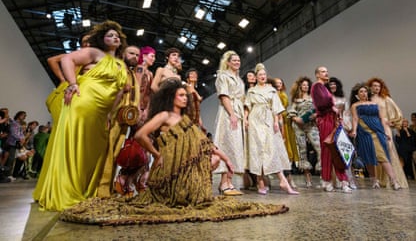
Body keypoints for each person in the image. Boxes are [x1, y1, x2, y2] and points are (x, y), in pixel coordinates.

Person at [59, 78, 289, 225]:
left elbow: (204, 142)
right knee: (180, 201)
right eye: (180, 95)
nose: (185, 97)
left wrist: (225, 157)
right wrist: (157, 154)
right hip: (170, 167)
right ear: (171, 97)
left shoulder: (186, 118)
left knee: (208, 173)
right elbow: (140, 135)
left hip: (190, 168)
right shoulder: (164, 116)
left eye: (185, 95)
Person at [33, 20, 129, 211]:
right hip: (83, 102)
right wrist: (72, 83)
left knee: (92, 150)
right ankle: (66, 190)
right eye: (110, 35)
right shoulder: (94, 52)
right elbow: (67, 59)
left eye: (117, 35)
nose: (114, 37)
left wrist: (111, 113)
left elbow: (120, 91)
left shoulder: (121, 64)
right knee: (75, 145)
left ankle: (83, 189)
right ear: (102, 39)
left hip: (102, 112)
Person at [244, 64, 299, 195]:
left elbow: (276, 107)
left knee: (272, 149)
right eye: (260, 75)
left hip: (268, 119)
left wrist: (276, 122)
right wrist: (246, 119)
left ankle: (282, 180)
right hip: (255, 119)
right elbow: (247, 106)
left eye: (264, 74)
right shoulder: (251, 91)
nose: (262, 76)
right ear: (256, 77)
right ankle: (260, 181)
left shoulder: (271, 90)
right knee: (257, 149)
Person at [99, 45, 142, 198]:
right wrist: (108, 113)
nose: (135, 57)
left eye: (137, 55)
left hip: (125, 118)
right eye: (131, 53)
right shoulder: (116, 66)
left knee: (115, 152)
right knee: (107, 151)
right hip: (113, 115)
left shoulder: (131, 72)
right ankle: (102, 188)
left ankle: (109, 186)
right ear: (123, 53)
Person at [349, 83, 401, 190]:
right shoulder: (355, 106)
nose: (363, 93)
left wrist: (386, 131)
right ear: (357, 95)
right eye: (361, 92)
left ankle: (394, 180)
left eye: (365, 91)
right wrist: (354, 131)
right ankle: (374, 181)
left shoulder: (375, 104)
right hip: (364, 132)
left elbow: (382, 119)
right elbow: (355, 119)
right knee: (369, 157)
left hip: (377, 131)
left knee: (382, 156)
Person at [311, 66, 352, 193]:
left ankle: (343, 180)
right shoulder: (317, 86)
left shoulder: (324, 88)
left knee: (338, 148)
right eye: (323, 71)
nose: (326, 73)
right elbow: (321, 104)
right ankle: (327, 180)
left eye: (327, 71)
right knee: (328, 149)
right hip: (325, 120)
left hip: (333, 119)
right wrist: (333, 107)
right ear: (317, 74)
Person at [367, 77, 408, 188]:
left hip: (385, 127)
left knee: (388, 150)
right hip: (372, 127)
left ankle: (394, 180)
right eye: (374, 86)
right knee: (376, 152)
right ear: (370, 87)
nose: (376, 88)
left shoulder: (386, 99)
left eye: (378, 86)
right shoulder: (368, 99)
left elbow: (398, 112)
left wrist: (393, 122)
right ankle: (380, 180)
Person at [213, 51, 245, 196]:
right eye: (234, 60)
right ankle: (224, 182)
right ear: (228, 62)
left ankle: (228, 182)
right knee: (227, 144)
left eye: (239, 60)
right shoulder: (223, 76)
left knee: (235, 146)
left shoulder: (239, 79)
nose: (237, 62)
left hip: (237, 112)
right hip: (228, 113)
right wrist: (232, 114)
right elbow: (224, 96)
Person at [288, 76, 321, 188]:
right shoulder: (296, 99)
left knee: (319, 147)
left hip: (311, 125)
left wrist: (314, 115)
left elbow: (319, 110)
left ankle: (322, 176)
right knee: (302, 150)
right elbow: (291, 113)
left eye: (307, 85)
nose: (305, 86)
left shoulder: (314, 98)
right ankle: (308, 178)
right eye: (303, 85)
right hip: (299, 126)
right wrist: (297, 119)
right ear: (300, 86)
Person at [327, 77, 357, 189]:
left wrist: (348, 127)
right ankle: (335, 181)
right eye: (330, 85)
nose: (332, 86)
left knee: (345, 153)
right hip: (329, 127)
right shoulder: (325, 98)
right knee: (332, 154)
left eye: (334, 84)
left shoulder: (343, 99)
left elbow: (347, 114)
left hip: (341, 127)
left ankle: (350, 179)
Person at [272, 78, 299, 178]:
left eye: (280, 83)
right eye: (277, 83)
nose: (279, 84)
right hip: (277, 118)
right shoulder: (273, 94)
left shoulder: (283, 94)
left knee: (289, 143)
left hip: (286, 119)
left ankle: (289, 166)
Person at [135, 46, 156, 126]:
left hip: (144, 107)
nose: (154, 59)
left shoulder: (150, 74)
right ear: (144, 56)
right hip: (136, 104)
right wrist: (138, 106)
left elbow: (150, 93)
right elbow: (137, 87)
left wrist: (147, 109)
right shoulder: (139, 68)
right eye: (152, 56)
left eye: (154, 57)